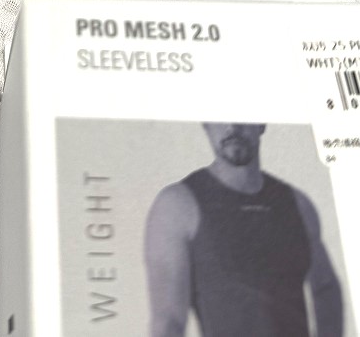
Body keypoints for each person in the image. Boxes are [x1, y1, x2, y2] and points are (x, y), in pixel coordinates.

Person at [144, 123, 344, 337]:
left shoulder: (296, 203)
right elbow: (169, 322)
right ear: (206, 124)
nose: (233, 127)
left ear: (261, 123)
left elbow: (325, 287)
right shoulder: (178, 205)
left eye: (241, 114)